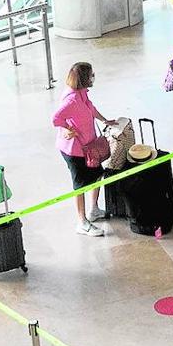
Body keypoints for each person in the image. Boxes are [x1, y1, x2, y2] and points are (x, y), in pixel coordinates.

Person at [53, 63, 114, 236]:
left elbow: (91, 109)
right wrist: (66, 129)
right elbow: (56, 118)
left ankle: (93, 210)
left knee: (96, 175)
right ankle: (82, 222)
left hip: (89, 145)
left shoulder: (82, 93)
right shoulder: (71, 99)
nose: (93, 77)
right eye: (91, 75)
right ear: (84, 79)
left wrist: (105, 121)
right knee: (79, 185)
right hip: (74, 150)